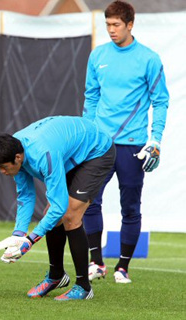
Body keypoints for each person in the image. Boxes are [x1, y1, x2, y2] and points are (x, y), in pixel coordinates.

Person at [82, 0, 169, 284]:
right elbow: (91, 97)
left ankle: (123, 267)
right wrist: (89, 136)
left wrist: (155, 139)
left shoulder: (148, 58)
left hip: (133, 145)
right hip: (101, 145)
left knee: (130, 208)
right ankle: (96, 262)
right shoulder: (98, 56)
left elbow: (161, 101)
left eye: (116, 25)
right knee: (89, 203)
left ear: (130, 25)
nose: (111, 30)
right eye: (107, 24)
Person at [0, 116, 115, 300]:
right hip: (71, 154)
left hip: (96, 152)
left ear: (18, 158)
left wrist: (29, 241)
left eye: (4, 167)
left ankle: (84, 287)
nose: (3, 172)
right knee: (50, 215)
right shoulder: (14, 150)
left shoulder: (43, 155)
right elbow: (26, 196)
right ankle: (56, 276)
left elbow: (60, 208)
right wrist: (18, 235)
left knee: (69, 216)